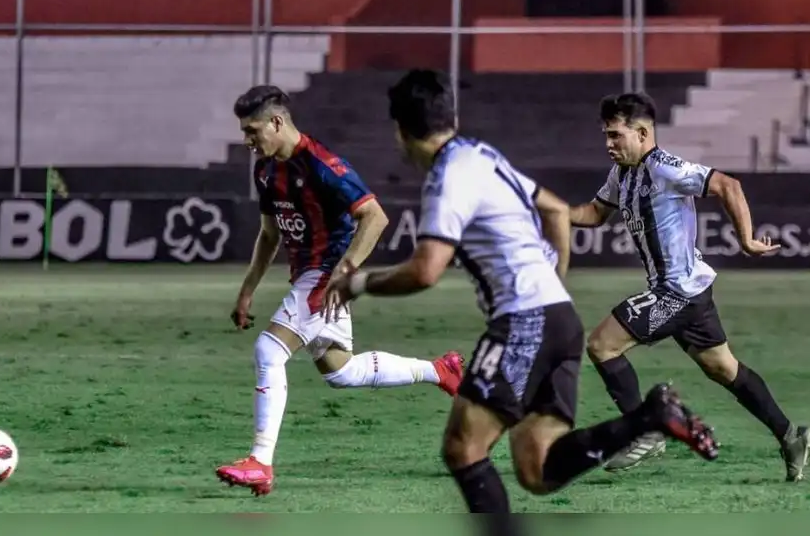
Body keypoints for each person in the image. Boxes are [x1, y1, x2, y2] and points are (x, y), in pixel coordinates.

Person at [328, 69, 719, 513]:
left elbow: (425, 270)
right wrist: (554, 282)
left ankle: (651, 417)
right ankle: (650, 419)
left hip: (524, 324)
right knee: (537, 469)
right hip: (559, 320)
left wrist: (357, 281)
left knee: (463, 449)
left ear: (402, 130)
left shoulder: (446, 176)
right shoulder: (479, 154)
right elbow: (554, 209)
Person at [215, 85, 465, 496]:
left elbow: (375, 216)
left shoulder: (322, 163)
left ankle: (260, 461)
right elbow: (268, 236)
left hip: (325, 274)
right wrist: (247, 292)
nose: (247, 141)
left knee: (268, 350)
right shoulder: (266, 171)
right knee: (342, 371)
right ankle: (439, 370)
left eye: (253, 130)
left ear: (277, 123)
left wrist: (344, 273)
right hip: (307, 277)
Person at [569, 91, 809, 480]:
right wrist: (549, 212)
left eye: (616, 135)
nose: (609, 144)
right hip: (689, 293)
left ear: (643, 133)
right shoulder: (621, 174)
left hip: (676, 291)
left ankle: (645, 432)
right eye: (606, 136)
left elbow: (728, 185)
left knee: (602, 344)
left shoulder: (665, 168)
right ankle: (791, 435)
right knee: (723, 368)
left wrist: (746, 240)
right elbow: (594, 214)